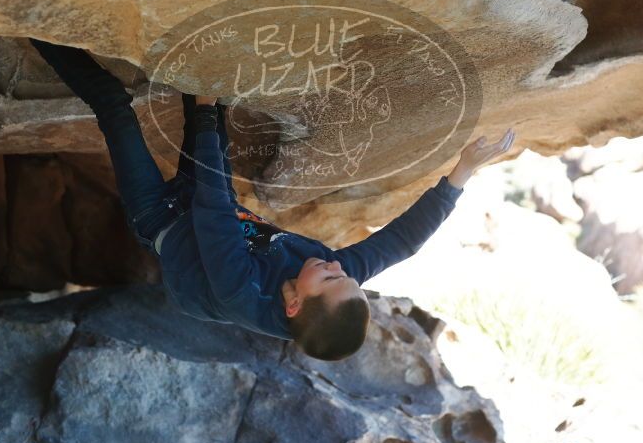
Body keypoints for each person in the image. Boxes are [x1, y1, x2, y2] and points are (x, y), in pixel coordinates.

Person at [29, 38, 515, 361]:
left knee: (116, 106)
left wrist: (203, 111)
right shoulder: (329, 284)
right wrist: (462, 171)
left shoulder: (241, 293)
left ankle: (38, 27)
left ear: (293, 304)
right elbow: (400, 244)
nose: (339, 267)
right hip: (205, 207)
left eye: (332, 277)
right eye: (346, 275)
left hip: (161, 216)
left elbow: (216, 210)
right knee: (209, 101)